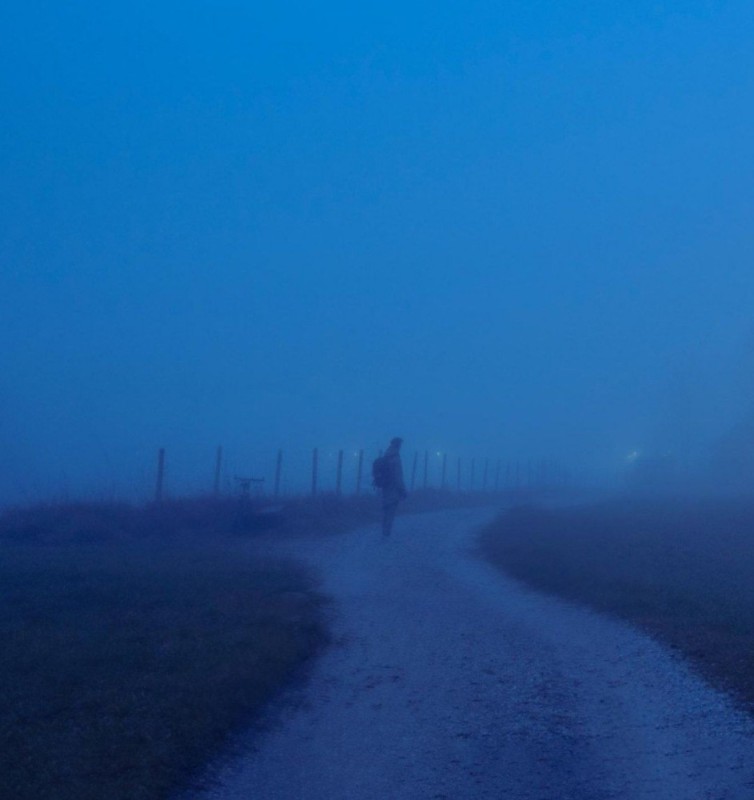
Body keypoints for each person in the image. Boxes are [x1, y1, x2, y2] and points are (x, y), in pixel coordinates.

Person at [380, 437, 407, 536]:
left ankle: (384, 530)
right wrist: (403, 490)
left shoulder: (386, 454)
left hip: (385, 486)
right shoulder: (395, 457)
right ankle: (387, 533)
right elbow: (398, 475)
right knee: (391, 510)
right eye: (400, 444)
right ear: (398, 444)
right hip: (393, 488)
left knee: (385, 509)